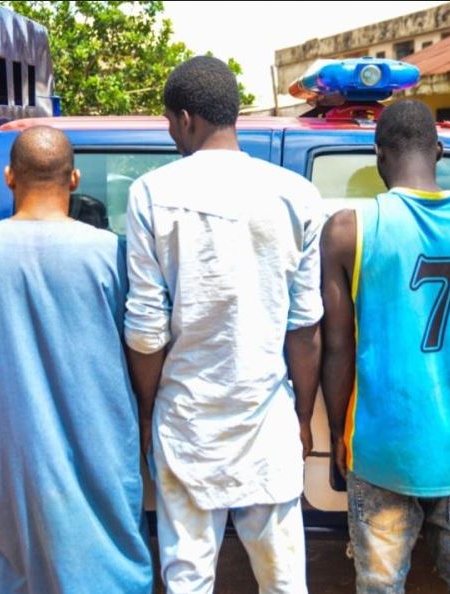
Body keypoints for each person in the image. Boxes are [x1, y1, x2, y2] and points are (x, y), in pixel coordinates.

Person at [123, 56, 321, 594]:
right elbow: (305, 328)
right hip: (266, 420)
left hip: (185, 421)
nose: (170, 132)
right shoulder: (295, 194)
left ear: (186, 118)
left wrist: (146, 412)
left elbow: (145, 329)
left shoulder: (151, 193)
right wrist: (302, 415)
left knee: (187, 579)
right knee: (283, 581)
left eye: (168, 121)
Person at [0, 126, 152, 594]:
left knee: (16, 567)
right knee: (109, 559)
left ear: (9, 177)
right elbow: (144, 344)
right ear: (74, 178)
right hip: (97, 447)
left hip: (5, 457)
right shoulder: (110, 255)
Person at [321, 99, 450, 594]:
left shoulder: (349, 230)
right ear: (441, 151)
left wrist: (344, 439)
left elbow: (337, 349)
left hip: (382, 452)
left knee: (380, 585)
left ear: (379, 154)